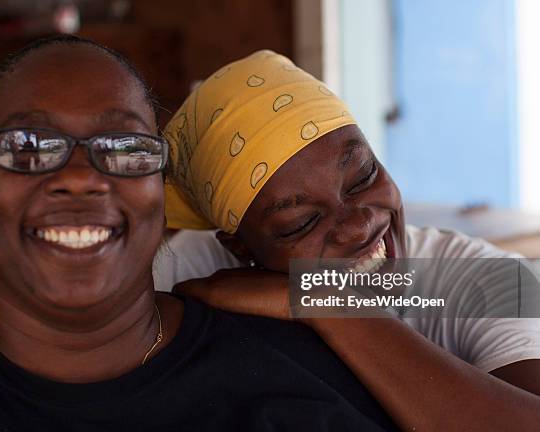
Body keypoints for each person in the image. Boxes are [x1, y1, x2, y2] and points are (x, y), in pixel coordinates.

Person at [0, 36, 399, 431]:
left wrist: (339, 309)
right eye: (27, 146)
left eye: (125, 147)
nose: (80, 176)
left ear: (160, 194)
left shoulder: (298, 378)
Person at [158, 50, 540, 430]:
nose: (357, 226)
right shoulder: (183, 270)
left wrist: (330, 304)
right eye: (302, 222)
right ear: (239, 247)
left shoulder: (484, 278)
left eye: (364, 176)